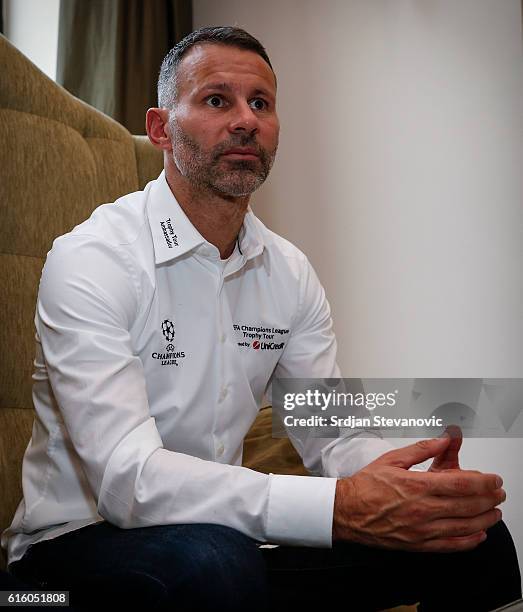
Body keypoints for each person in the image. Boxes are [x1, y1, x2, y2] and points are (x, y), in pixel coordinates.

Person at [2, 26, 520, 611]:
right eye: (217, 100)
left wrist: (408, 488)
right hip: (68, 554)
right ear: (159, 129)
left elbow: (332, 433)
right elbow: (130, 481)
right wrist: (341, 507)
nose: (246, 119)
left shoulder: (288, 272)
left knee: (470, 539)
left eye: (262, 103)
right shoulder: (94, 258)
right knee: (215, 563)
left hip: (226, 542)